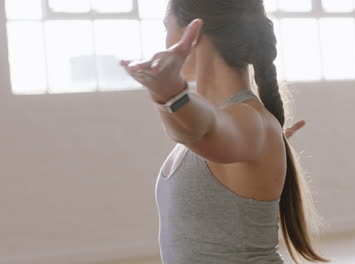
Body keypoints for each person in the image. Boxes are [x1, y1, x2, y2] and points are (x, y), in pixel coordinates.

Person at [120, 0, 330, 263]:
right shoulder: (244, 123)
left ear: (192, 33)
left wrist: (169, 95)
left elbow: (201, 131)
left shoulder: (247, 118)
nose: (164, 40)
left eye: (166, 27)